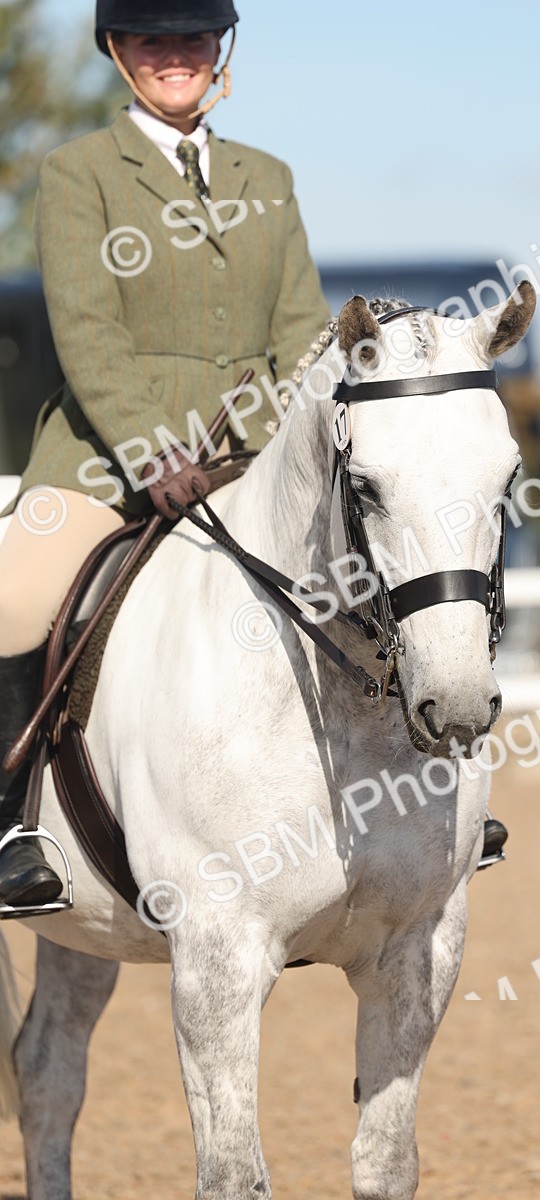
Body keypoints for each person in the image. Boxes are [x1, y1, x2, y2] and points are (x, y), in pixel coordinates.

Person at [0, 0, 331, 908]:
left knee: (373, 562)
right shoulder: (77, 173)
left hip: (249, 458)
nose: (176, 56)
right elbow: (87, 332)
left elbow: (301, 336)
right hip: (104, 462)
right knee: (9, 600)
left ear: (219, 48)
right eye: (154, 39)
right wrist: (154, 451)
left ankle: (412, 806)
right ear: (118, 50)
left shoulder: (269, 177)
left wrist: (265, 452)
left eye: (193, 38)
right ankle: (9, 829)